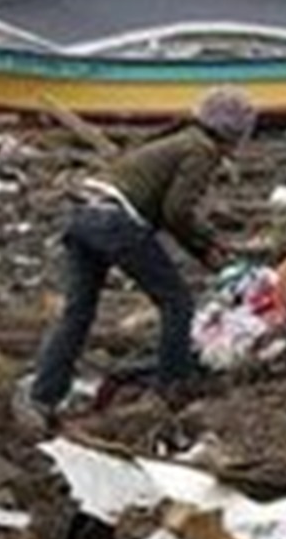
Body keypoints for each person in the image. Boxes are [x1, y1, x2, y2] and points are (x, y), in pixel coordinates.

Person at [21, 87, 258, 427]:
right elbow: (177, 211)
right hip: (115, 221)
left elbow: (166, 211)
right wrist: (208, 246)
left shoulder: (179, 138)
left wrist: (203, 250)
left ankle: (42, 398)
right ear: (233, 133)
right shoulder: (201, 150)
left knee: (78, 313)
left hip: (84, 212)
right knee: (177, 303)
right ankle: (173, 390)